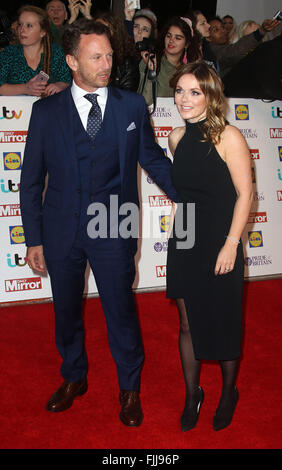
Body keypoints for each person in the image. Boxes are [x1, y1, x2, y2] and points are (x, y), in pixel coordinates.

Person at [20, 18, 179, 426]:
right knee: (66, 310)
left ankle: (129, 388)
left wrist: (192, 195)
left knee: (121, 310)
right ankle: (74, 376)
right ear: (72, 61)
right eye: (96, 56)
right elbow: (31, 180)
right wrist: (33, 238)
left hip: (116, 223)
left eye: (109, 54)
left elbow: (154, 160)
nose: (107, 63)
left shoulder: (130, 106)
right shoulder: (45, 112)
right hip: (61, 228)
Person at [166, 61, 253, 432]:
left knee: (224, 320)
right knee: (187, 323)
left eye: (194, 92)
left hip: (222, 237)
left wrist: (231, 244)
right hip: (184, 234)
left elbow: (246, 194)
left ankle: (229, 392)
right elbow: (185, 195)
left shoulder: (228, 136)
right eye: (180, 90)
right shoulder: (175, 137)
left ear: (211, 96)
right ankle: (192, 394)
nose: (184, 99)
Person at [0, 5, 71, 96]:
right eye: (20, 24)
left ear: (43, 32)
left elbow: (67, 82)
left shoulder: (57, 53)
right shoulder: (8, 53)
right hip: (16, 109)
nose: (22, 30)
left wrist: (60, 86)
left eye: (29, 26)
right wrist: (26, 88)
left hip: (50, 108)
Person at [138, 16, 201, 106]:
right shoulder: (150, 61)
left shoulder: (189, 70)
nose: (171, 40)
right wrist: (151, 70)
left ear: (186, 44)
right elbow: (145, 101)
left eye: (178, 38)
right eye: (168, 36)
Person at [207, 15, 280, 77]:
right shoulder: (214, 51)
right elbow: (234, 52)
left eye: (222, 27)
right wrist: (261, 31)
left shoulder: (269, 53)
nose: (223, 30)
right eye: (216, 30)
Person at [93, 10, 140, 91]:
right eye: (96, 29)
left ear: (115, 32)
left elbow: (126, 96)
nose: (99, 33)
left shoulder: (126, 62)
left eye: (105, 30)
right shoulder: (87, 56)